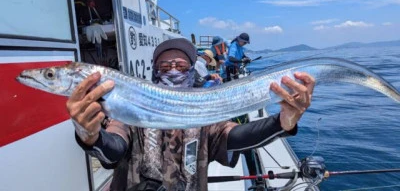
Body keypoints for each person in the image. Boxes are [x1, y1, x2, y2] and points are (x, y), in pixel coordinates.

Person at [66, 38, 315, 191]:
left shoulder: (202, 112)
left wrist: (281, 123)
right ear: (154, 71)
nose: (172, 70)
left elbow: (236, 136)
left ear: (191, 71)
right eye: (164, 66)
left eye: (181, 65)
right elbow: (114, 148)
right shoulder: (133, 111)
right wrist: (91, 135)